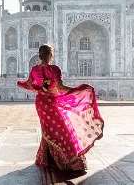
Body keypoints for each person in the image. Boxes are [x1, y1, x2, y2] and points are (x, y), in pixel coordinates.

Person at [17, 44, 104, 173]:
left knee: (49, 130)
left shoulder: (34, 70)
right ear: (51, 55)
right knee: (61, 128)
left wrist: (31, 86)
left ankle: (48, 159)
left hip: (41, 103)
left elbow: (30, 85)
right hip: (51, 102)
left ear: (40, 55)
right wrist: (76, 90)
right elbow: (60, 88)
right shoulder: (54, 69)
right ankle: (68, 160)